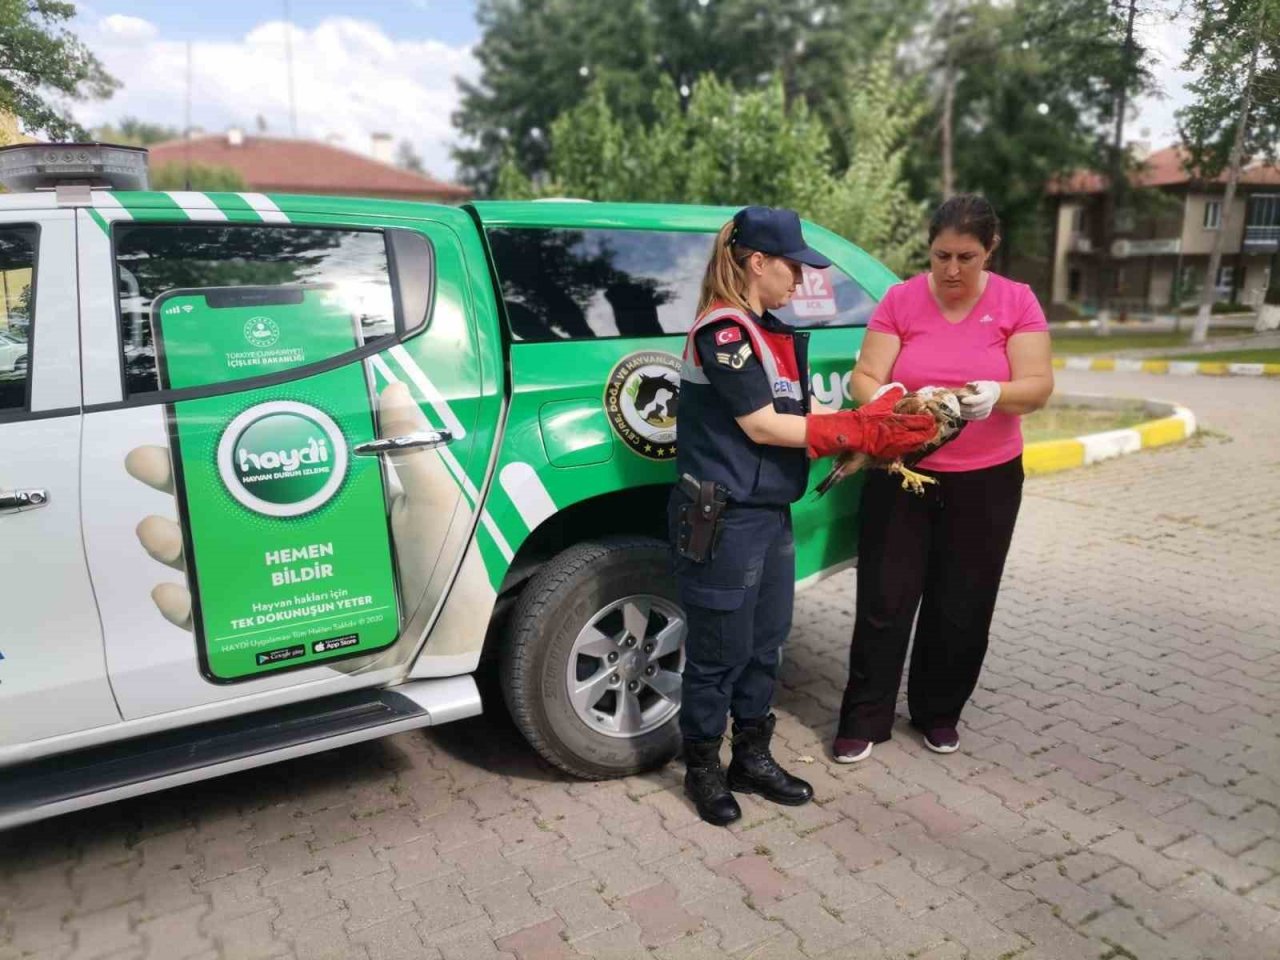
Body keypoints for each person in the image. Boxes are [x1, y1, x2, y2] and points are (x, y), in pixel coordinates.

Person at [671, 206, 937, 826]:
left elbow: (798, 419)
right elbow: (761, 425)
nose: (802, 278)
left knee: (765, 646)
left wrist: (860, 437)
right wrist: (851, 425)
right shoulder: (725, 332)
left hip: (768, 516)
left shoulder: (772, 331)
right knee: (718, 652)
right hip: (725, 519)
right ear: (757, 262)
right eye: (793, 265)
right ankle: (704, 768)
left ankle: (751, 758)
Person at [832, 193, 1053, 764]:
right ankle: (864, 717)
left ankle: (938, 712)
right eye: (941, 256)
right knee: (885, 596)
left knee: (963, 602)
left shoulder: (1017, 302)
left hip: (987, 479)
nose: (952, 270)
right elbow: (865, 375)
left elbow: (1038, 386)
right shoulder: (902, 299)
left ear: (990, 251)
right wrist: (885, 398)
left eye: (967, 257)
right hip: (901, 472)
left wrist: (996, 394)